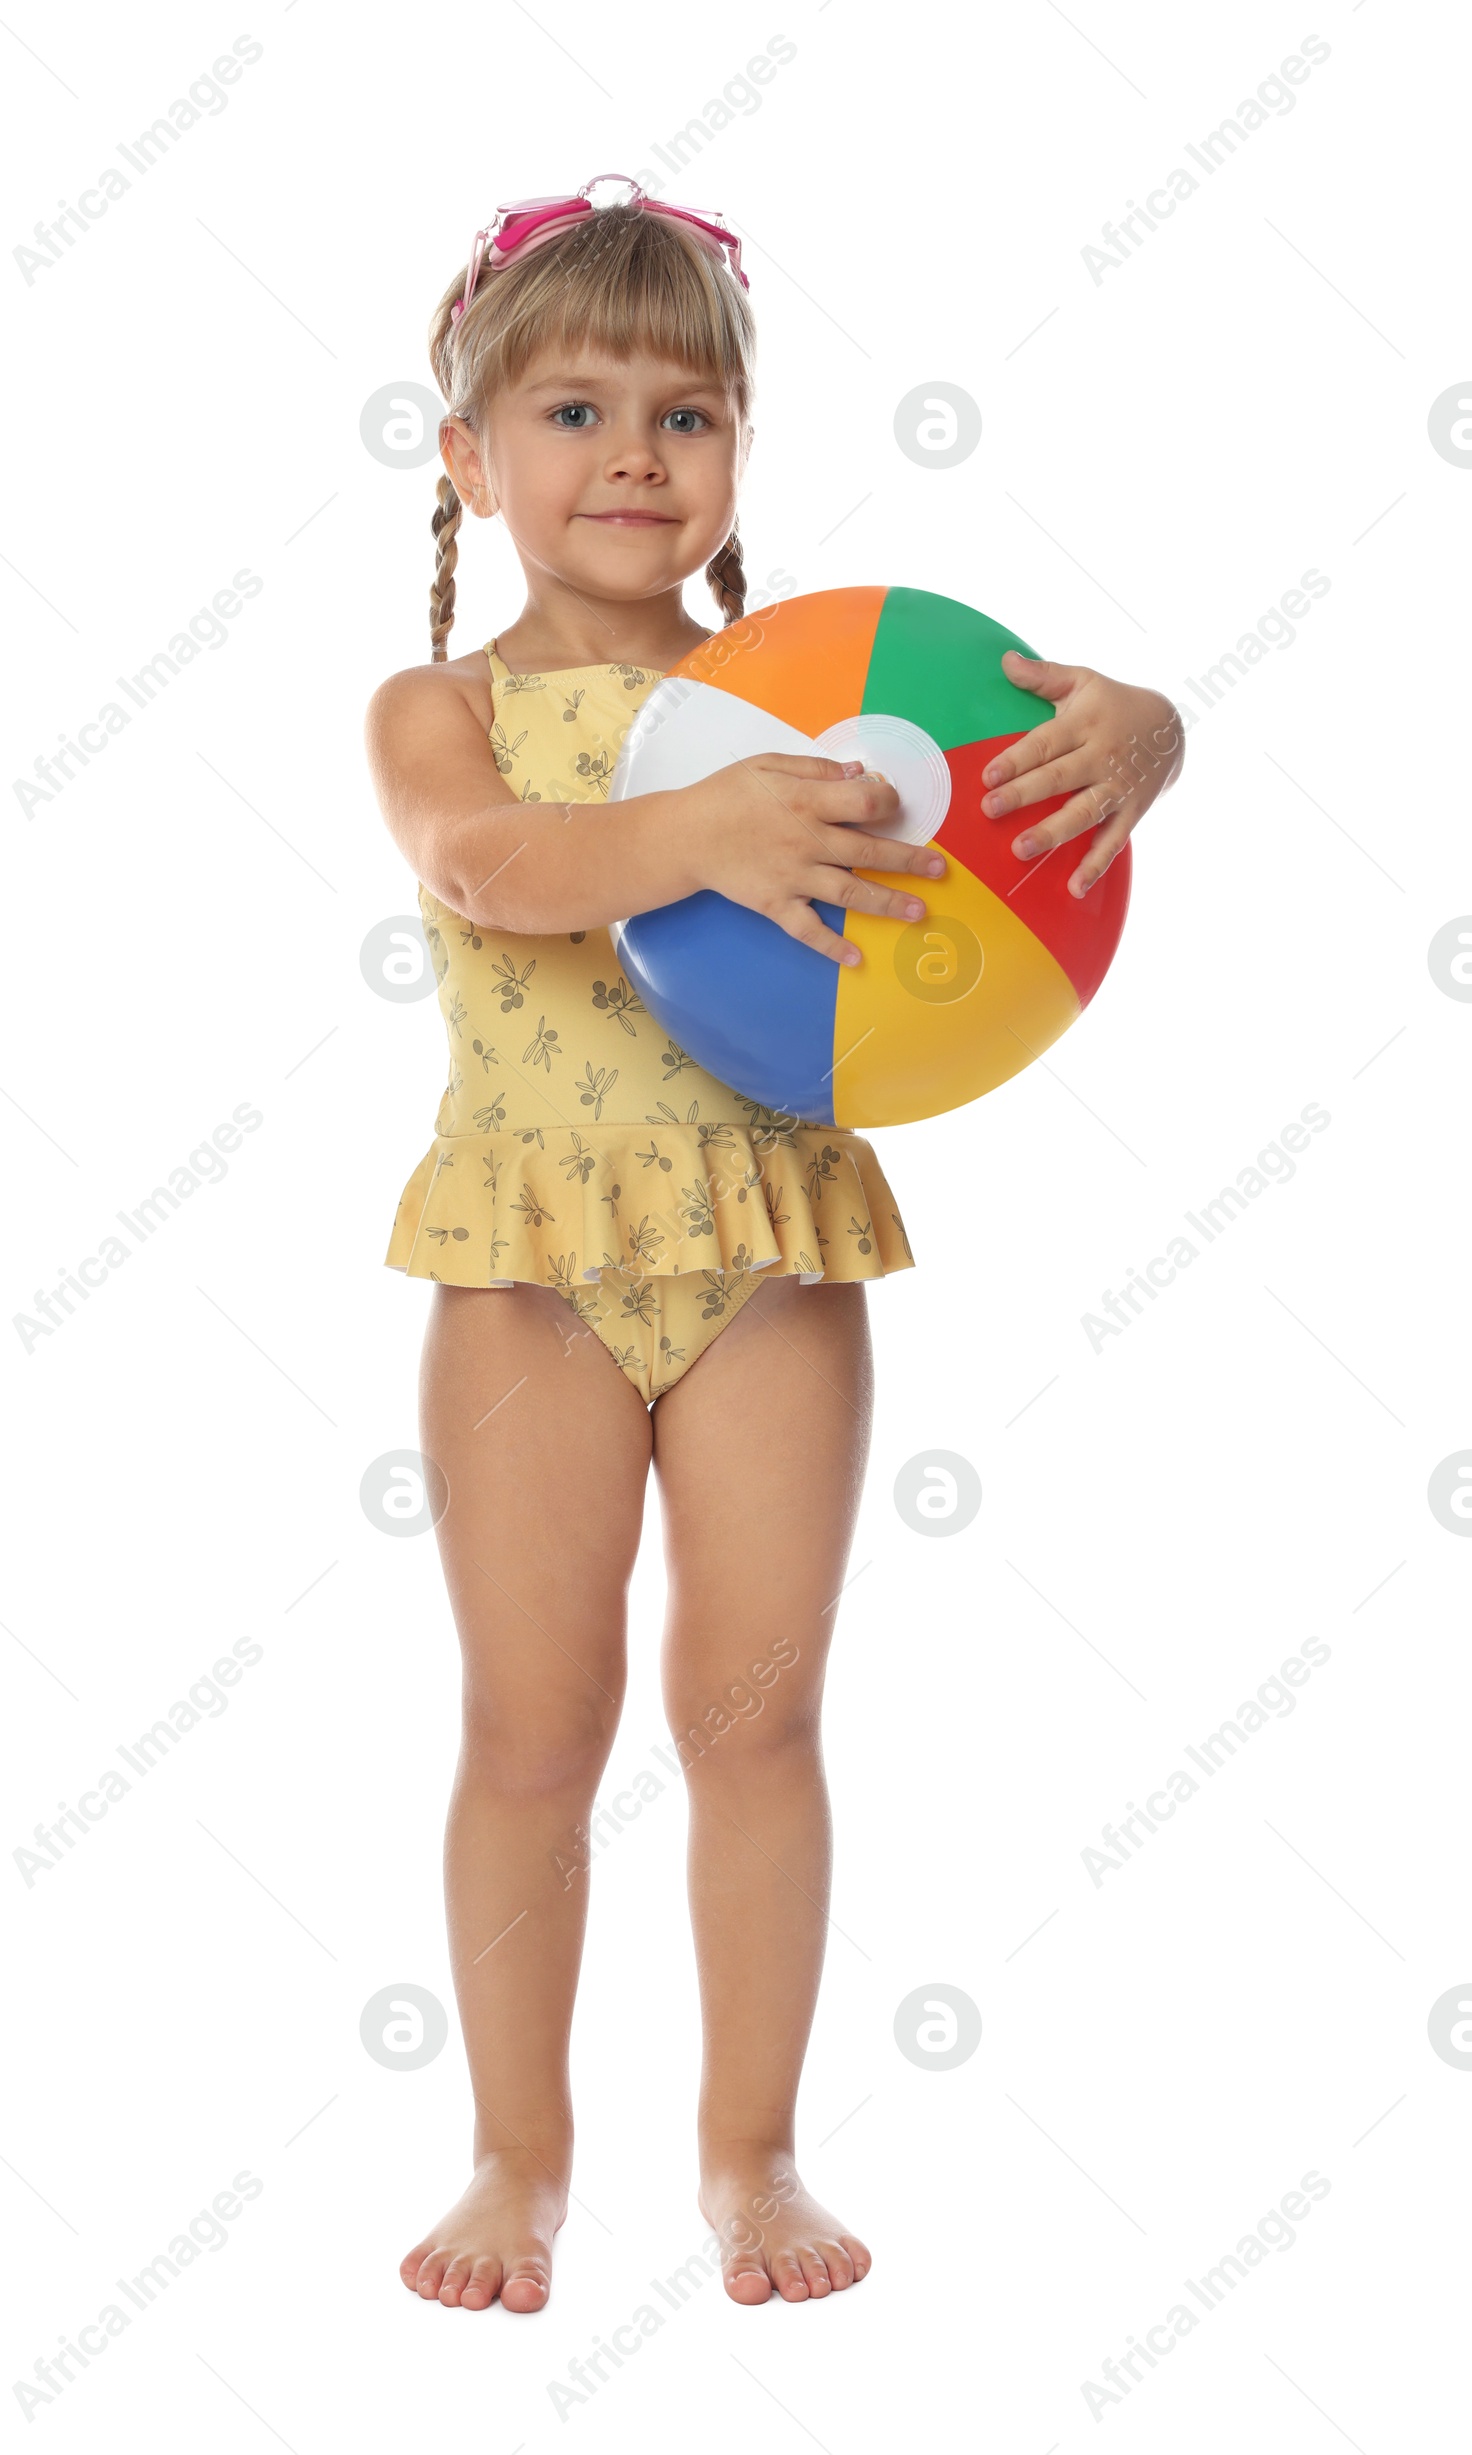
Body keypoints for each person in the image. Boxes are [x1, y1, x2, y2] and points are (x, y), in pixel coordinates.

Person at [364, 175, 1183, 2315]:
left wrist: (1135, 734)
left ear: (738, 450)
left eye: (686, 411)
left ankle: (749, 2151)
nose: (633, 454)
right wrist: (708, 829)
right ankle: (515, 2155)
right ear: (464, 457)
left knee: (755, 1720)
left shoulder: (798, 691)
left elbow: (1011, 745)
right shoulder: (433, 708)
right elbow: (488, 865)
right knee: (530, 1726)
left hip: (768, 1248)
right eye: (567, 410)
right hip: (526, 1266)